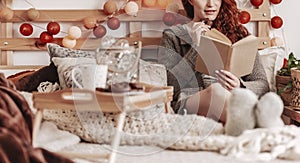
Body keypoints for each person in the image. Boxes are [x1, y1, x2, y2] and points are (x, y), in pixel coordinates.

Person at [158, 0, 269, 124]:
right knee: (216, 91)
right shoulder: (172, 36)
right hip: (190, 102)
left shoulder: (239, 34)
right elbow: (169, 86)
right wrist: (196, 47)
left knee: (261, 99)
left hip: (233, 99)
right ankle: (257, 123)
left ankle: (244, 123)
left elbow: (263, 85)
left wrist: (239, 86)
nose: (211, 4)